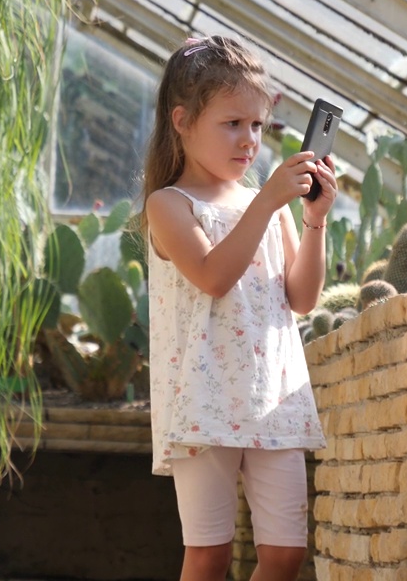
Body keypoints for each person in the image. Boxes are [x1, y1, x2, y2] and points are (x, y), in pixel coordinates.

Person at [142, 35, 337, 581]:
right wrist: (270, 200)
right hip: (203, 401)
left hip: (272, 396)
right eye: (232, 124)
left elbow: (301, 297)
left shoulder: (266, 206)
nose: (248, 140)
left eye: (256, 125)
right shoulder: (169, 205)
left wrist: (312, 219)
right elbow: (213, 276)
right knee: (209, 556)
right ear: (182, 121)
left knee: (285, 554)